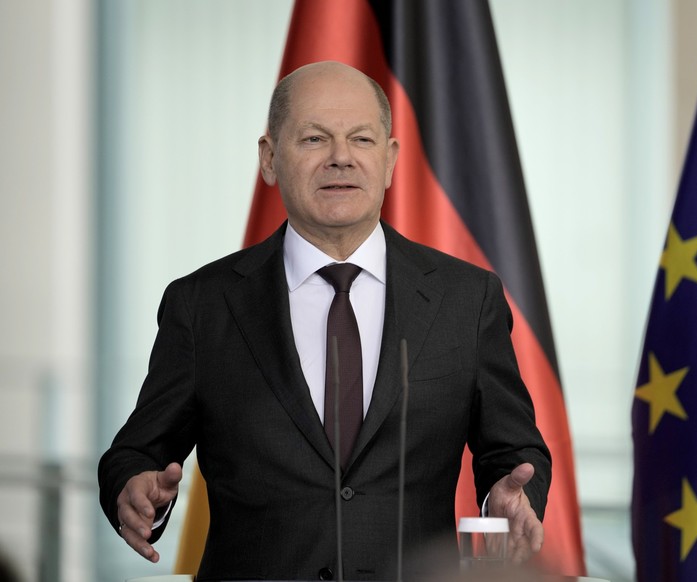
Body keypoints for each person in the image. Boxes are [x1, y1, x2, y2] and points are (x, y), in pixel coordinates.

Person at [98, 61, 551, 581]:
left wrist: (506, 501)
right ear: (269, 159)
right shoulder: (203, 304)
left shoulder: (467, 298)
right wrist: (133, 487)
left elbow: (514, 448)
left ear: (389, 160)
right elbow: (135, 451)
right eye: (314, 139)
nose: (341, 157)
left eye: (361, 138)